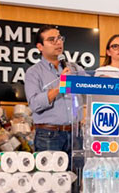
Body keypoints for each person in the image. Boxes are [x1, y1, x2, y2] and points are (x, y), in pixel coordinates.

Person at [24, 25, 82, 158]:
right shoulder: (34, 72)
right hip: (49, 135)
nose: (58, 42)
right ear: (40, 47)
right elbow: (34, 104)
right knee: (50, 177)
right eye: (51, 39)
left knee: (76, 177)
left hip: (76, 134)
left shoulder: (74, 68)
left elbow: (92, 88)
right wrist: (59, 87)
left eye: (59, 38)